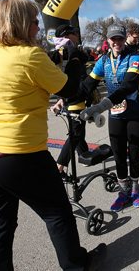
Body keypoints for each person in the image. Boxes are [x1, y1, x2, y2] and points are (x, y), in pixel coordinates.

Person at [0, 0, 106, 270]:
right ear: (19, 23)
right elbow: (70, 90)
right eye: (33, 21)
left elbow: (16, 78)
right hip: (15, 154)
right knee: (57, 213)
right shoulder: (28, 55)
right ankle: (78, 265)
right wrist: (75, 56)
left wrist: (54, 60)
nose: (38, 27)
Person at [80, 24, 139, 212]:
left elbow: (128, 86)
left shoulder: (135, 56)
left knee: (134, 152)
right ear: (108, 40)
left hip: (137, 110)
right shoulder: (103, 61)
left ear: (124, 38)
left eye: (120, 38)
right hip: (116, 112)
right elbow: (88, 84)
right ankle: (124, 190)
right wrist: (66, 100)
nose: (117, 42)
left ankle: (135, 189)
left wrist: (102, 105)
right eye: (113, 39)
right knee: (118, 152)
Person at [50, 24, 91, 172]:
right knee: (76, 132)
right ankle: (60, 165)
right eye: (74, 32)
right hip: (76, 98)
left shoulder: (56, 52)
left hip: (67, 96)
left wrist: (60, 99)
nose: (77, 34)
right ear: (67, 35)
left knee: (79, 129)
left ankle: (83, 153)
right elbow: (79, 71)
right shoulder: (72, 51)